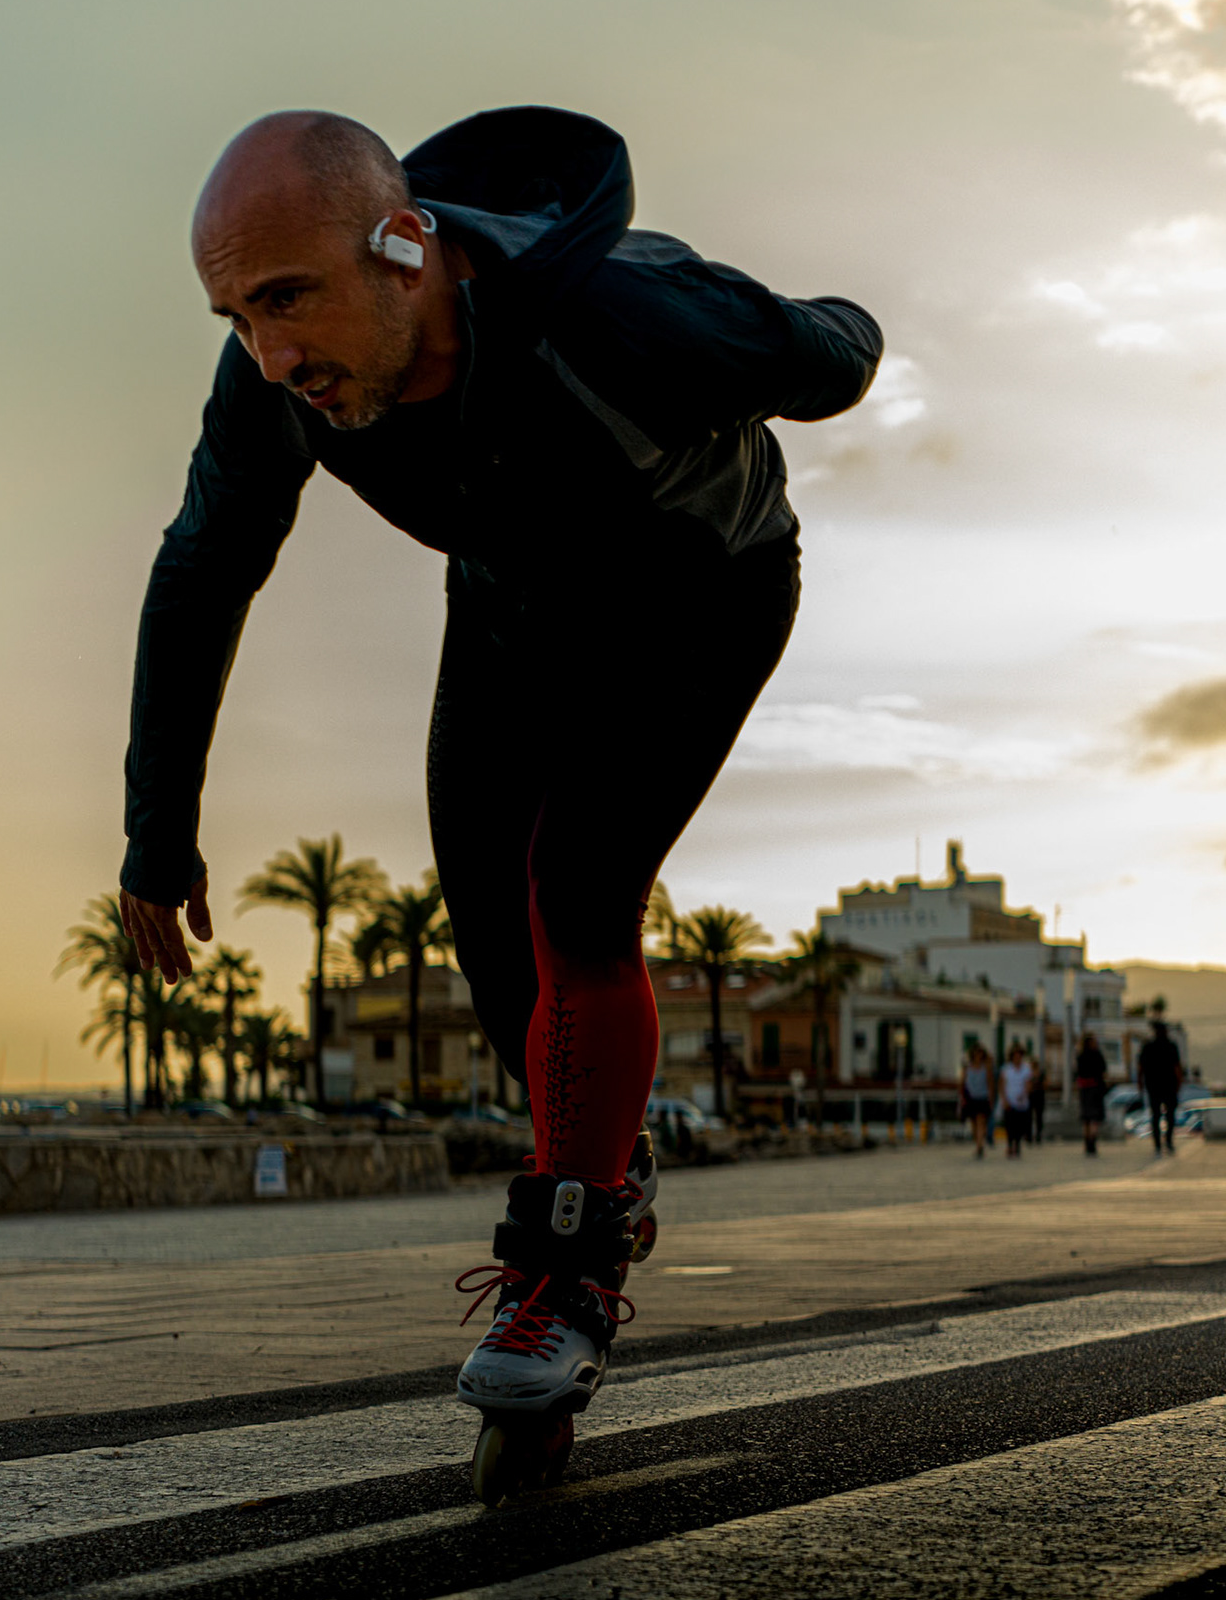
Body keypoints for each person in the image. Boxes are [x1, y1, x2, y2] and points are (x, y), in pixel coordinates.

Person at [113, 107, 881, 1443]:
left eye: (289, 299)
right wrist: (155, 838)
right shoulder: (278, 387)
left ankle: (564, 1280)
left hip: (699, 598)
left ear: (405, 247)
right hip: (513, 612)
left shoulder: (624, 321)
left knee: (579, 891)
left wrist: (783, 330)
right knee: (495, 946)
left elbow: (839, 348)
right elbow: (202, 567)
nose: (273, 351)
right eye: (236, 315)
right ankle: (604, 1171)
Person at [1138, 1018, 1183, 1157]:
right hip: (1167, 1086)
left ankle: (1158, 1144)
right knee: (1169, 1116)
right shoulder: (1170, 1046)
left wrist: (1140, 1083)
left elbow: (1140, 1068)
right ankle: (1167, 1142)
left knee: (1156, 1116)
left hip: (1154, 1086)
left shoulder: (1148, 1047)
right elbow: (1177, 1068)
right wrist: (1179, 1083)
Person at [1075, 1031, 1108, 1157]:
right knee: (1094, 1118)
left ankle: (1087, 1143)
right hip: (1095, 1088)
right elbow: (1104, 1071)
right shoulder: (1097, 1055)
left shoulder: (1081, 1056)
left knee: (1086, 1119)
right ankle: (1092, 1144)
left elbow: (1077, 1072)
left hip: (1084, 1089)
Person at [961, 1043, 995, 1159]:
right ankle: (978, 1144)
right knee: (974, 1124)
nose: (978, 1057)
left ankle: (980, 1146)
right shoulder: (967, 1069)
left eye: (980, 1054)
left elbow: (990, 1084)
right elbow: (962, 1084)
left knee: (981, 1122)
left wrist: (991, 1098)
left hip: (982, 1098)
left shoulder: (986, 1068)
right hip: (971, 1099)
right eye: (976, 1054)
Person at [998, 1044, 1033, 1159]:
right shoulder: (1006, 1069)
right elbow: (1002, 1085)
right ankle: (1009, 1144)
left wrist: (1023, 1095)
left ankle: (1017, 1144)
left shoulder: (1026, 1069)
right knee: (1009, 1125)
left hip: (1022, 1102)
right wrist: (1004, 1099)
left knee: (1019, 1125)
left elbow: (1028, 1084)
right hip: (1010, 1101)